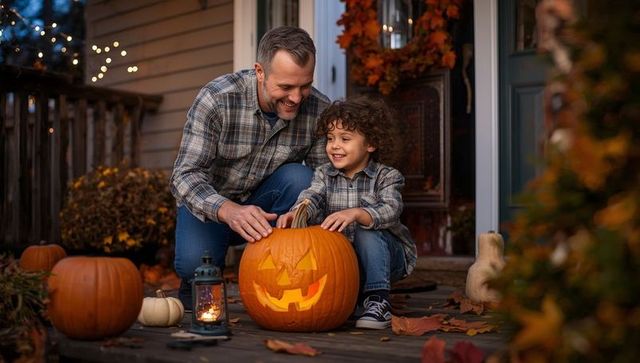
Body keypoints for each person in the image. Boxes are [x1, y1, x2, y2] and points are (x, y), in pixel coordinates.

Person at [170, 26, 330, 310]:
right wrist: (229, 210)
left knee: (301, 178)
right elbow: (184, 176)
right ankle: (199, 277)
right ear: (259, 71)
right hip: (214, 209)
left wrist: (305, 211)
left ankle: (279, 273)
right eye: (285, 87)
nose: (296, 97)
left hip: (266, 208)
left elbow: (325, 180)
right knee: (194, 265)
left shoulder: (318, 110)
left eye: (304, 85)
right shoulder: (218, 99)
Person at [276, 96, 417, 330]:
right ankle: (352, 298)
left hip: (388, 257)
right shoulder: (323, 174)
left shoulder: (387, 177)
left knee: (367, 231)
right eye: (330, 138)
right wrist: (298, 212)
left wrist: (357, 213)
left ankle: (377, 300)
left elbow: (391, 210)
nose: (334, 146)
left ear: (371, 143)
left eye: (345, 139)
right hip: (344, 263)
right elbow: (312, 196)